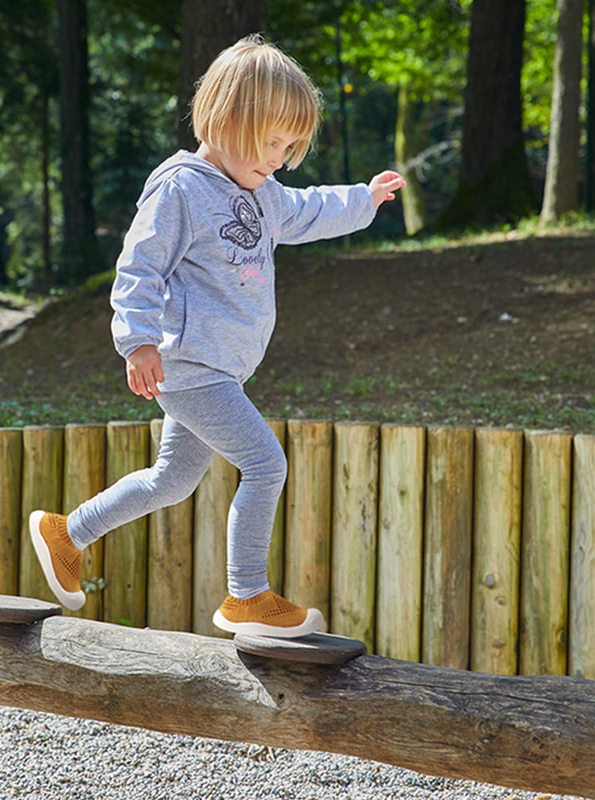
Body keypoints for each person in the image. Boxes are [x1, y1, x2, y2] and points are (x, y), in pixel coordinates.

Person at [29, 34, 405, 638]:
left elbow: (308, 211)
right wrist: (139, 341)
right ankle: (246, 596)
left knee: (171, 480)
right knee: (265, 463)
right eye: (272, 142)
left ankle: (66, 533)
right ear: (229, 119)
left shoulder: (261, 191)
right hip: (188, 364)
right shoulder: (181, 188)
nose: (280, 158)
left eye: (290, 146)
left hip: (218, 368)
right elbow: (140, 266)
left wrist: (363, 199)